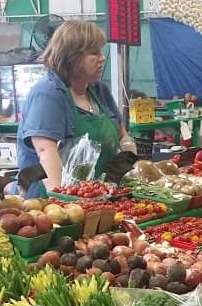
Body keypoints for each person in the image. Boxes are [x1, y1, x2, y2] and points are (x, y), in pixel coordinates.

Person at [13, 21, 136, 198]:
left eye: (101, 52)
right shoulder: (47, 94)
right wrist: (63, 200)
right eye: (94, 53)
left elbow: (122, 136)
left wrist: (130, 169)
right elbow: (45, 151)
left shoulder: (99, 91)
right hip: (48, 199)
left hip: (96, 195)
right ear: (72, 57)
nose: (102, 58)